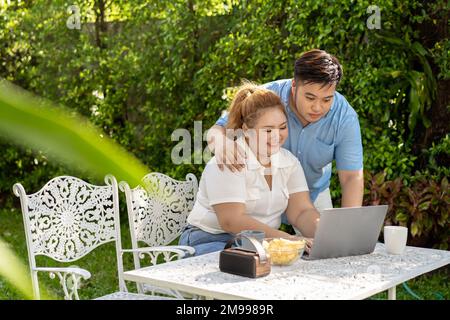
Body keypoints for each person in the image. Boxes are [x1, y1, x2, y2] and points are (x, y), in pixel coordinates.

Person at [179, 83, 320, 256]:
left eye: (282, 127)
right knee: (250, 271)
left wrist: (322, 232)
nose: (277, 135)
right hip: (211, 240)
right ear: (246, 130)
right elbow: (232, 221)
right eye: (268, 130)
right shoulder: (229, 158)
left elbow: (301, 211)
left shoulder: (288, 162)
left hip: (259, 244)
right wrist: (287, 239)